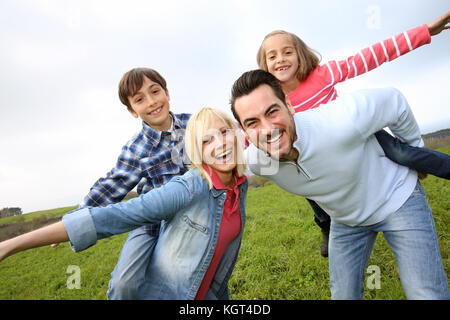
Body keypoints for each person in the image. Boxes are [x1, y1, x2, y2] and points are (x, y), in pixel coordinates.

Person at [230, 69, 449, 299]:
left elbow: (394, 101)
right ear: (243, 129)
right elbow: (219, 167)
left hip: (396, 198)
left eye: (272, 111)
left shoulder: (339, 121)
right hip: (346, 220)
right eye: (252, 122)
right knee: (343, 295)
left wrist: (415, 152)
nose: (267, 130)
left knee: (426, 294)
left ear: (288, 104)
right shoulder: (259, 161)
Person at [256, 10, 450, 257]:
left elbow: (370, 56)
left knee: (400, 152)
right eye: (271, 56)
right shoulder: (274, 99)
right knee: (304, 179)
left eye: (287, 51)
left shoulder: (322, 75)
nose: (280, 59)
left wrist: (424, 32)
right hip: (317, 155)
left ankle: (434, 166)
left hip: (357, 137)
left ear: (300, 54)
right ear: (264, 64)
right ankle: (325, 223)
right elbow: (250, 128)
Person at [0, 108, 248, 300]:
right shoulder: (189, 187)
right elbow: (117, 215)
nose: (221, 143)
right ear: (197, 151)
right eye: (207, 141)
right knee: (123, 283)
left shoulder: (239, 184)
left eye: (224, 132)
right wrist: (11, 245)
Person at [53, 67, 191, 299]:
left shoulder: (194, 124)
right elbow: (110, 187)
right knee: (124, 283)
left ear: (167, 92)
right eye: (139, 99)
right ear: (132, 111)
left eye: (155, 91)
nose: (151, 102)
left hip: (192, 217)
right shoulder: (135, 148)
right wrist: (71, 222)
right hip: (150, 223)